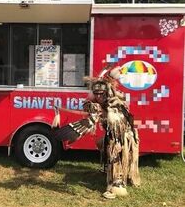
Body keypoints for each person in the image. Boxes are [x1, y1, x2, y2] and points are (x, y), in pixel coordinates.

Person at [52, 66, 140, 199]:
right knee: (102, 144)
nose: (98, 96)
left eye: (101, 94)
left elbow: (93, 122)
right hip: (111, 133)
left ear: (106, 92)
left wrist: (105, 111)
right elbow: (88, 106)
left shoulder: (115, 103)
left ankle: (117, 184)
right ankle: (107, 171)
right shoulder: (99, 102)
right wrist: (93, 105)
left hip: (122, 135)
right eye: (96, 93)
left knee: (115, 153)